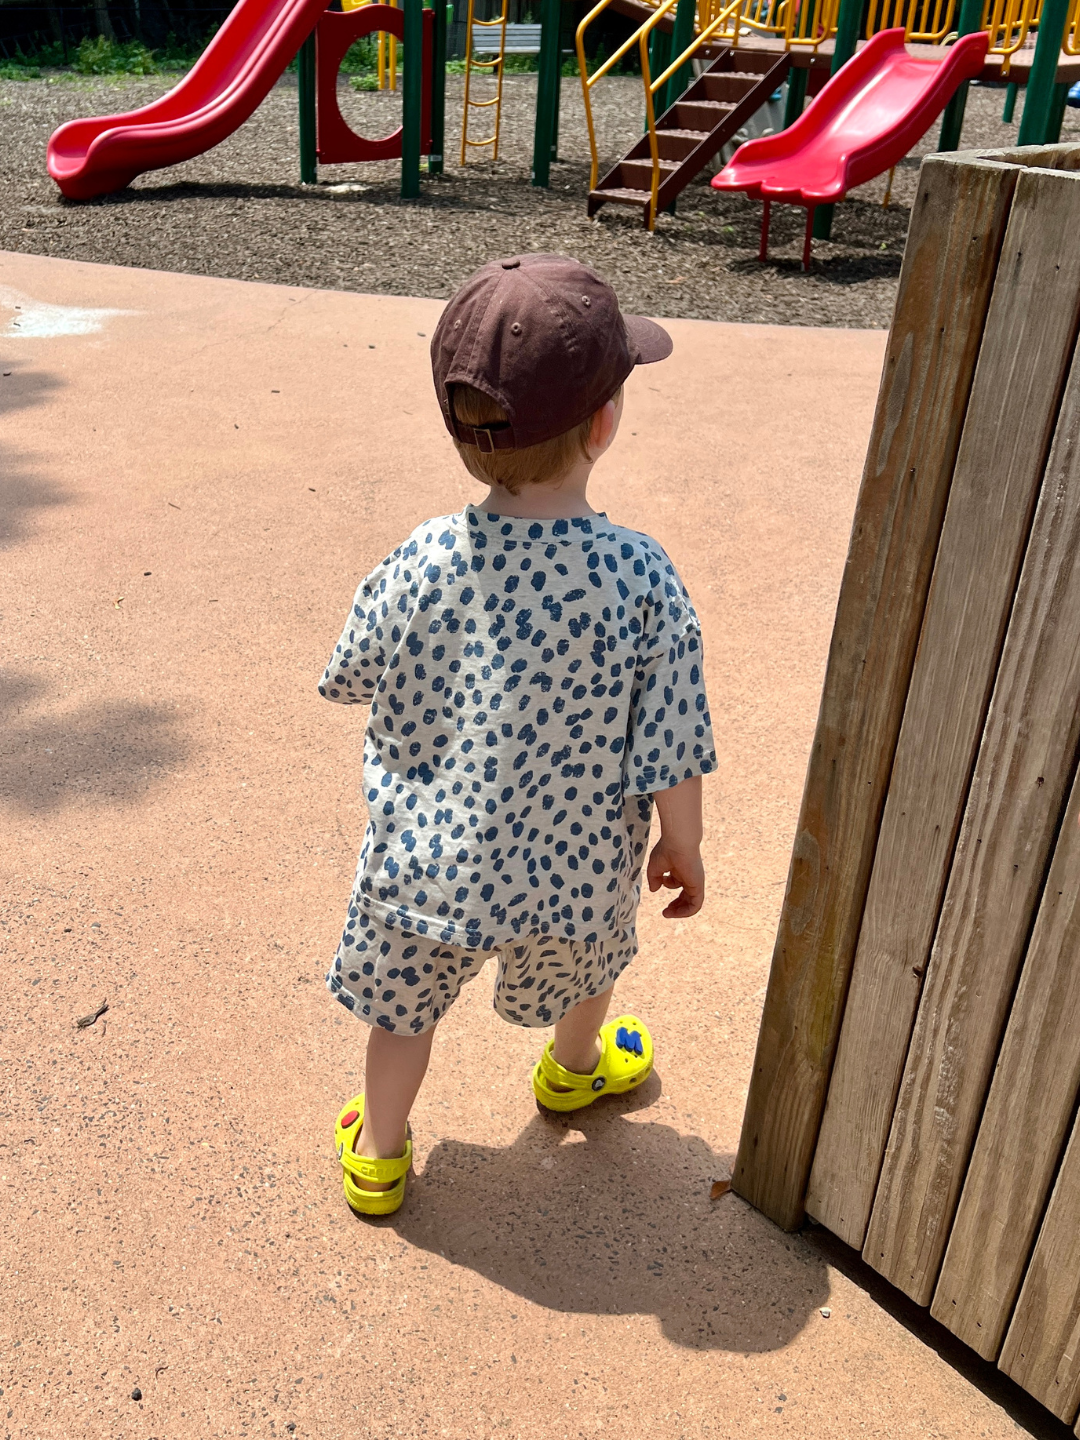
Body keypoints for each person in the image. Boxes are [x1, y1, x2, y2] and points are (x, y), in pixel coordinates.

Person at [319, 253, 716, 1216]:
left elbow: (352, 670)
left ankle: (379, 1153)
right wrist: (683, 840)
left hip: (426, 865)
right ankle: (572, 1072)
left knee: (399, 1014)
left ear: (463, 435)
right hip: (572, 866)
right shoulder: (641, 577)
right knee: (591, 968)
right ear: (604, 422)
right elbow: (671, 731)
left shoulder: (423, 557)